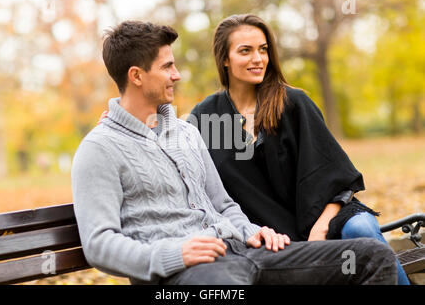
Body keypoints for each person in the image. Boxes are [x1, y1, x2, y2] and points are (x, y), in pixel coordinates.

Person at [72, 20, 398, 285]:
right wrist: (175, 254)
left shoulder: (186, 133)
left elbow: (223, 204)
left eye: (262, 50)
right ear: (137, 76)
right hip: (188, 276)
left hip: (245, 253)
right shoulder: (99, 149)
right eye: (168, 66)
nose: (177, 74)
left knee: (372, 257)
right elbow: (99, 244)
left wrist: (254, 231)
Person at [187, 14, 409, 285]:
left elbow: (338, 179)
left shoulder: (293, 103)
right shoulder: (204, 118)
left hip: (327, 216)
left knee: (361, 228)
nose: (258, 58)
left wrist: (321, 227)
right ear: (225, 58)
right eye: (245, 50)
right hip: (267, 236)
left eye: (263, 49)